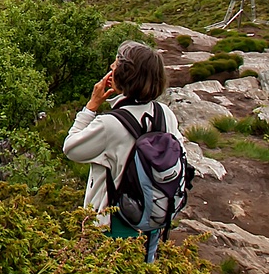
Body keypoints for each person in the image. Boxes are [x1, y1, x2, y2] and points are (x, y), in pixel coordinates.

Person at [62, 40, 181, 260]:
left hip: (112, 225)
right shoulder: (165, 114)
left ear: (125, 76)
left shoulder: (110, 124)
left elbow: (71, 149)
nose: (110, 67)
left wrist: (91, 107)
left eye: (115, 66)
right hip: (152, 221)